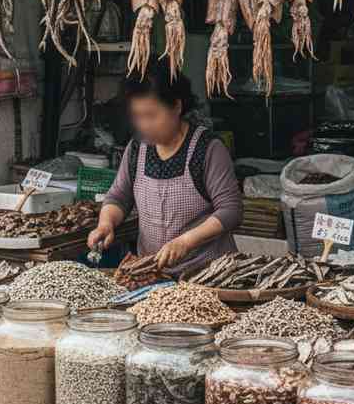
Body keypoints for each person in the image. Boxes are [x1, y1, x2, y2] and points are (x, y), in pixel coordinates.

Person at [88, 63, 242, 275]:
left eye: (151, 115)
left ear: (176, 107)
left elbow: (231, 210)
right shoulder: (136, 149)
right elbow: (118, 197)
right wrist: (106, 224)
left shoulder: (207, 149)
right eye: (138, 116)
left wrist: (187, 241)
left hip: (209, 273)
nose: (144, 125)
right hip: (153, 273)